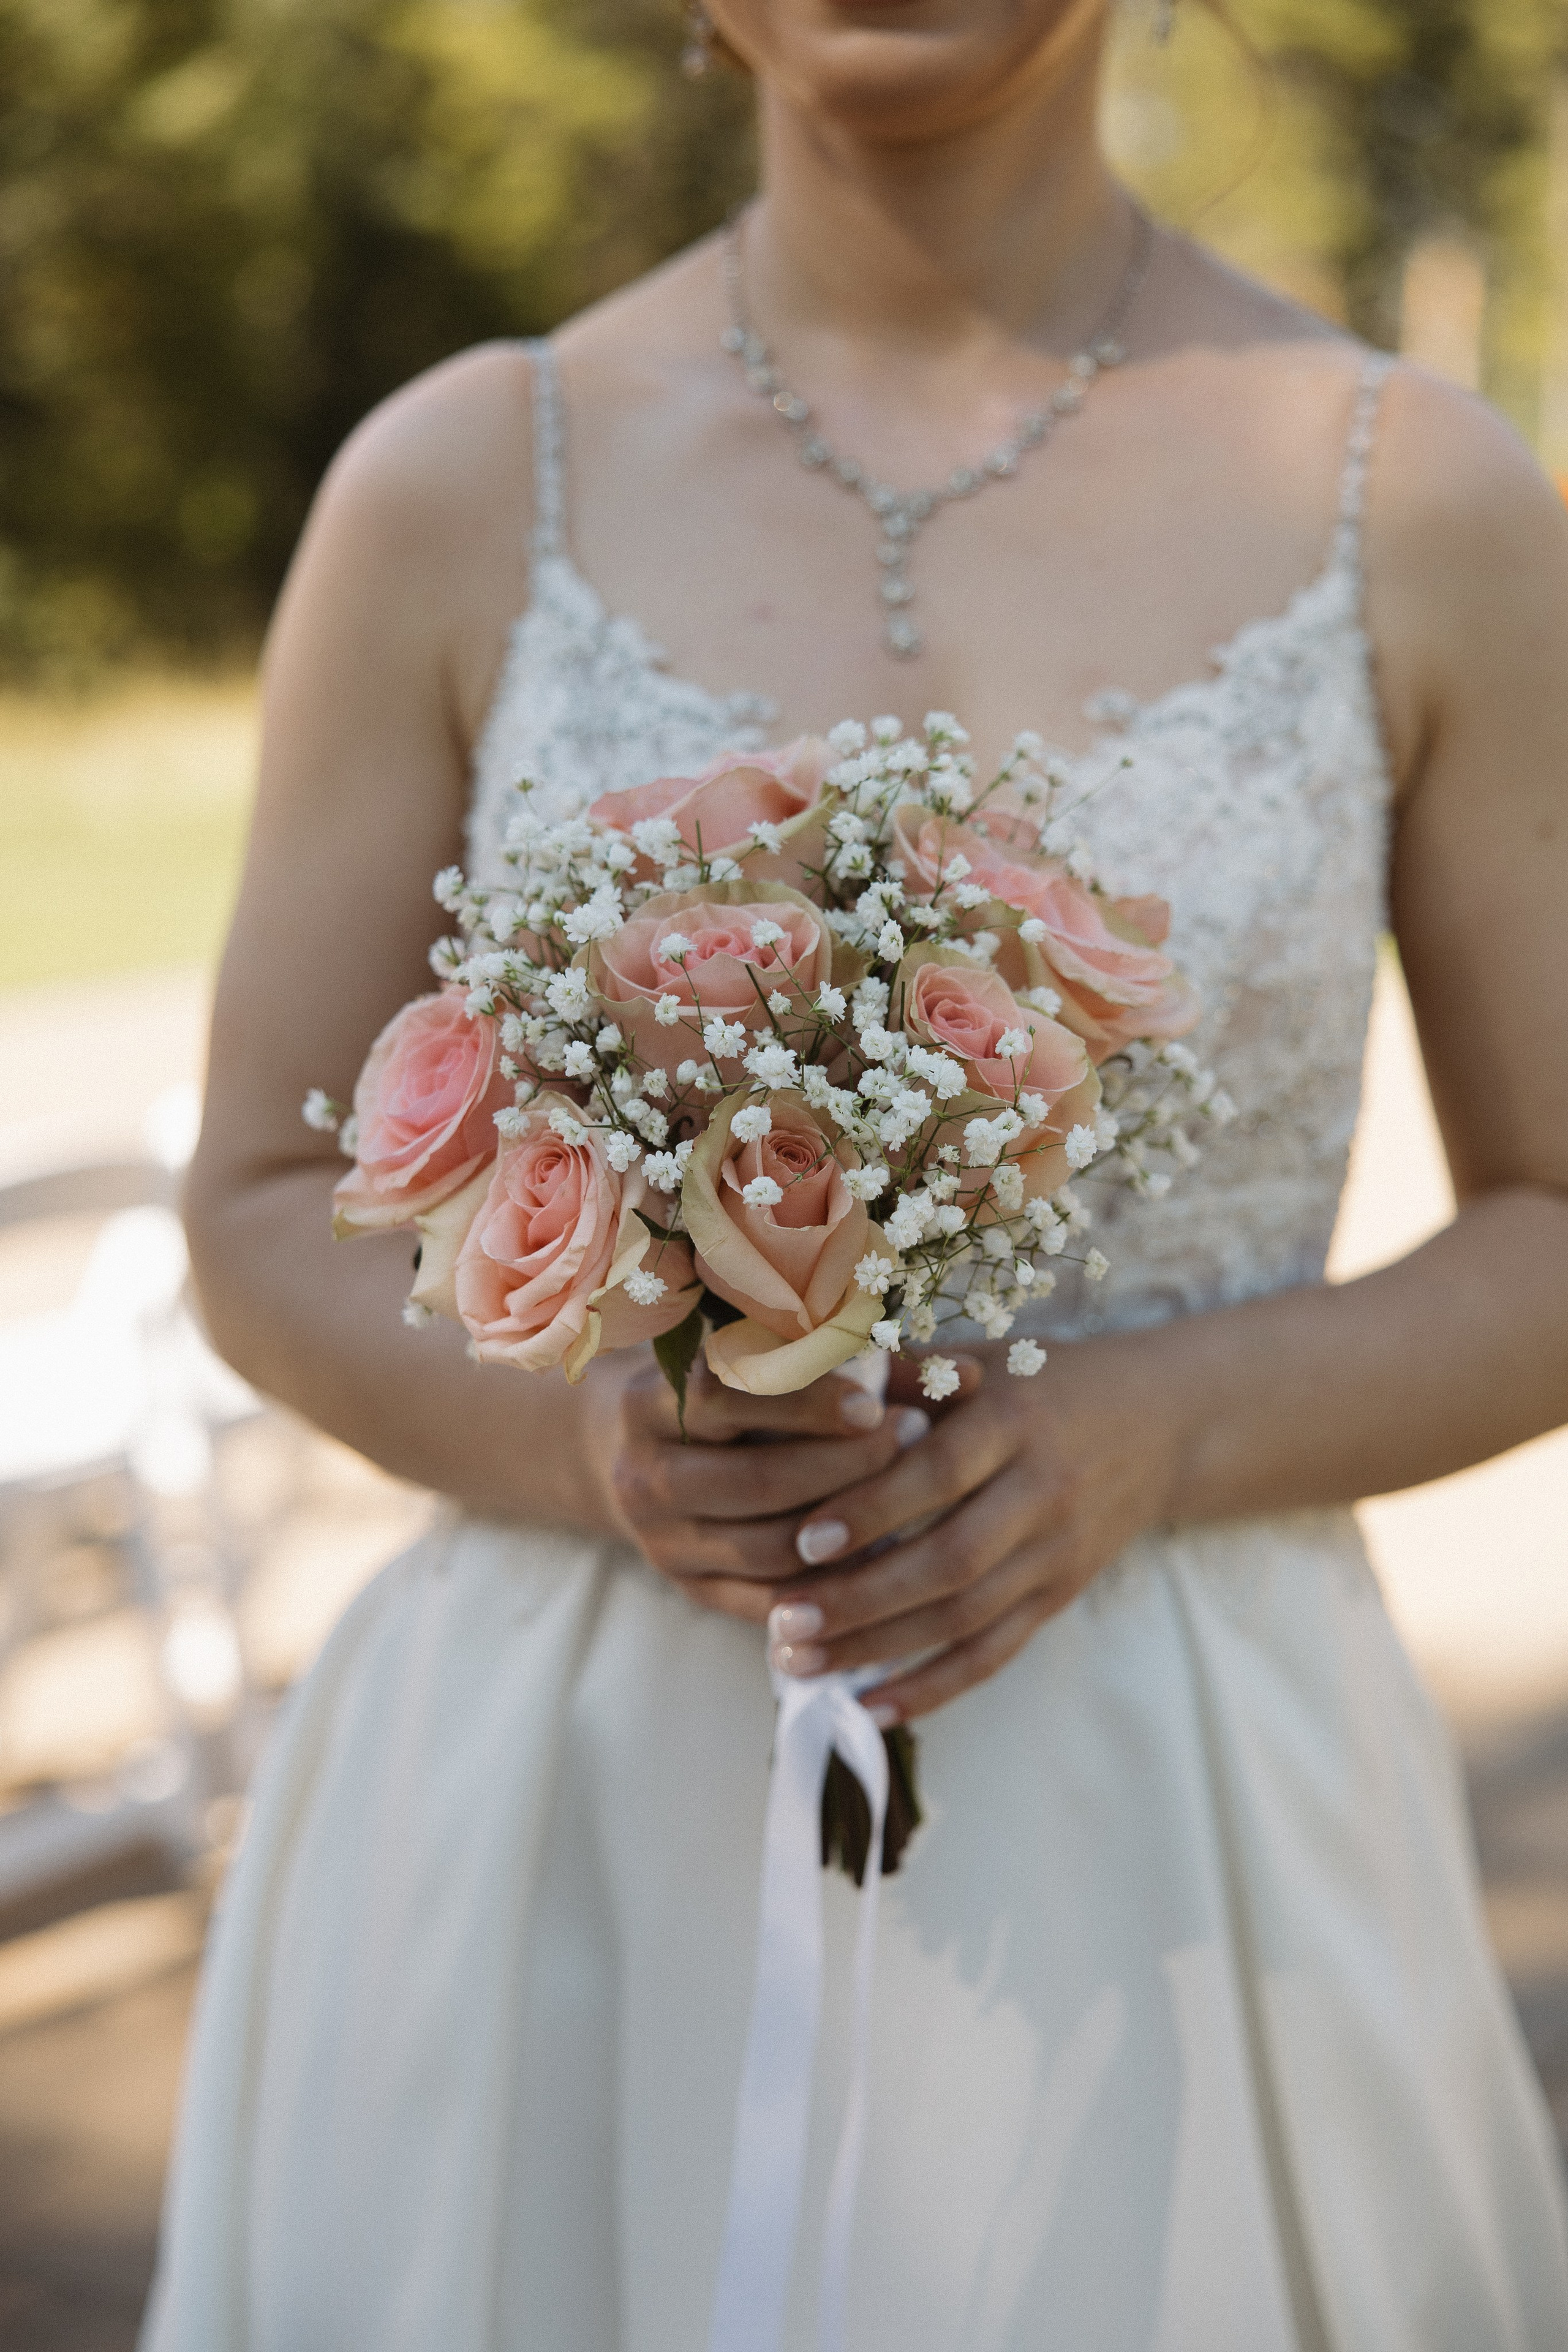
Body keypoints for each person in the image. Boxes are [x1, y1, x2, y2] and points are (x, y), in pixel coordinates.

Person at [143, 1, 1568, 2344]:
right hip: (562, 1818)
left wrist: (1156, 1428)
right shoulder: (455, 478)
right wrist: (599, 1439)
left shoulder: (1413, 493)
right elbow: (255, 1208)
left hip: (1181, 1808)